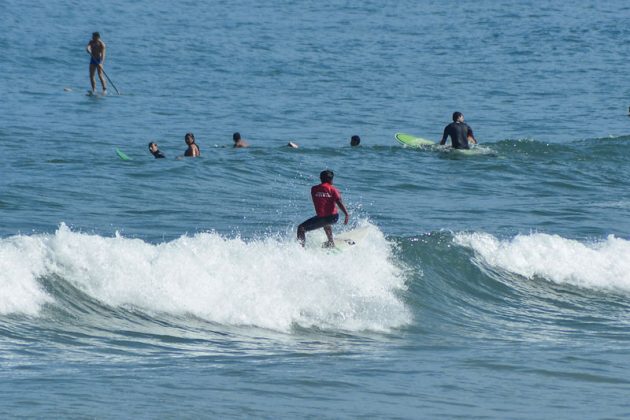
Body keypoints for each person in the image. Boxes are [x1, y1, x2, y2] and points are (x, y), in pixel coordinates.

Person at [297, 170, 349, 248]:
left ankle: (300, 249)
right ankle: (330, 242)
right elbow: (339, 202)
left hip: (324, 217)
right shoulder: (333, 189)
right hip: (333, 217)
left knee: (301, 228)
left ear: (320, 178)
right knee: (325, 222)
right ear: (330, 180)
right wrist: (346, 214)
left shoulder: (314, 189)